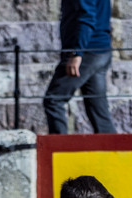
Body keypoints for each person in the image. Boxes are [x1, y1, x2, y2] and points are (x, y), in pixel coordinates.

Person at [42, 0, 116, 134]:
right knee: (98, 108)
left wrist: (76, 53)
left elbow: (87, 17)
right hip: (101, 49)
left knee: (53, 100)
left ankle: (59, 150)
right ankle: (114, 151)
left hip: (86, 51)